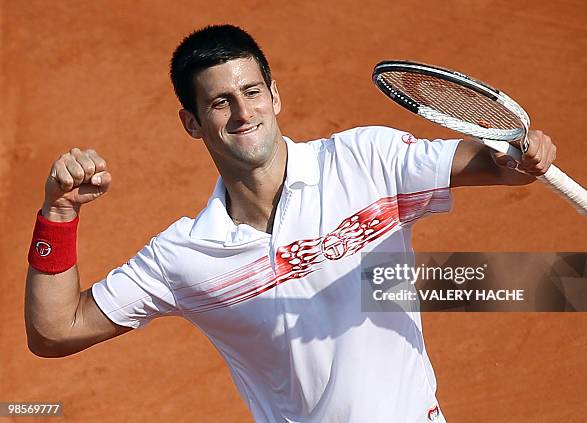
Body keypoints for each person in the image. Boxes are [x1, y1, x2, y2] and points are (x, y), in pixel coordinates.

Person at [25, 24, 555, 422]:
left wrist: (521, 157)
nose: (243, 112)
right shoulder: (185, 256)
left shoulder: (363, 161)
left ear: (274, 96)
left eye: (253, 92)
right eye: (219, 102)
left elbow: (492, 165)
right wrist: (60, 214)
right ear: (192, 123)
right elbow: (54, 330)